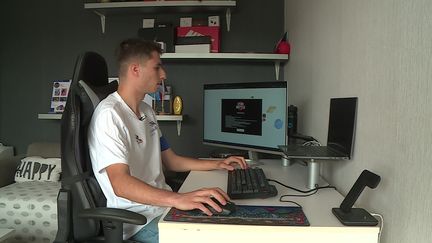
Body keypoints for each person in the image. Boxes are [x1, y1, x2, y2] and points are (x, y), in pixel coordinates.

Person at [87, 38, 247, 243]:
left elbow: (171, 160)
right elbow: (121, 185)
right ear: (135, 70)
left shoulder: (146, 111)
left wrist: (218, 164)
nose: (163, 74)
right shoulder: (110, 116)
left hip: (164, 207)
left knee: (233, 227)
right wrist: (179, 198)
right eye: (157, 67)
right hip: (139, 221)